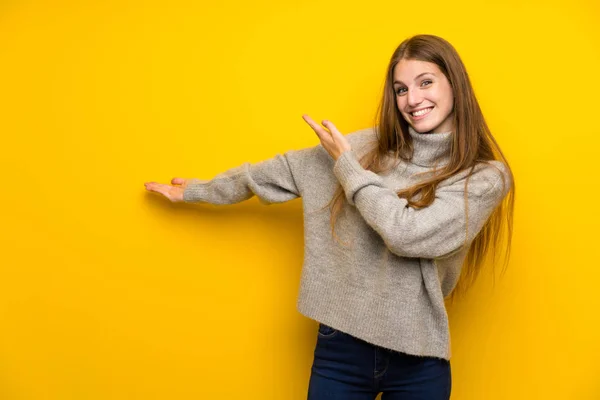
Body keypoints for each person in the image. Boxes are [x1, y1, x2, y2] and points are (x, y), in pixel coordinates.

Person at [144, 34, 515, 399]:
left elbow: (408, 234)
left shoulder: (483, 176)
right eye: (401, 89)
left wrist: (349, 170)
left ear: (455, 84)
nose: (412, 99)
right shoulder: (368, 147)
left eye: (426, 82)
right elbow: (284, 171)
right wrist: (199, 190)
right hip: (342, 348)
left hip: (418, 357)